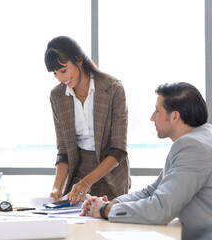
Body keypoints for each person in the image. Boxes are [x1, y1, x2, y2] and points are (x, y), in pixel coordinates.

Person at [80, 82, 212, 240]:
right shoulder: (202, 137)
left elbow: (161, 209)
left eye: (157, 111)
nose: (152, 117)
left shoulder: (192, 147)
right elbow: (153, 190)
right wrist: (114, 202)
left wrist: (105, 210)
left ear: (175, 116)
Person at [45, 36, 130, 204]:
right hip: (78, 174)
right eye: (55, 73)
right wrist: (57, 188)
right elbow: (64, 153)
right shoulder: (57, 96)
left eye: (63, 70)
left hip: (110, 174)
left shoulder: (113, 89)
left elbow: (118, 150)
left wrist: (87, 182)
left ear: (78, 59)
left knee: (106, 225)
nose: (60, 78)